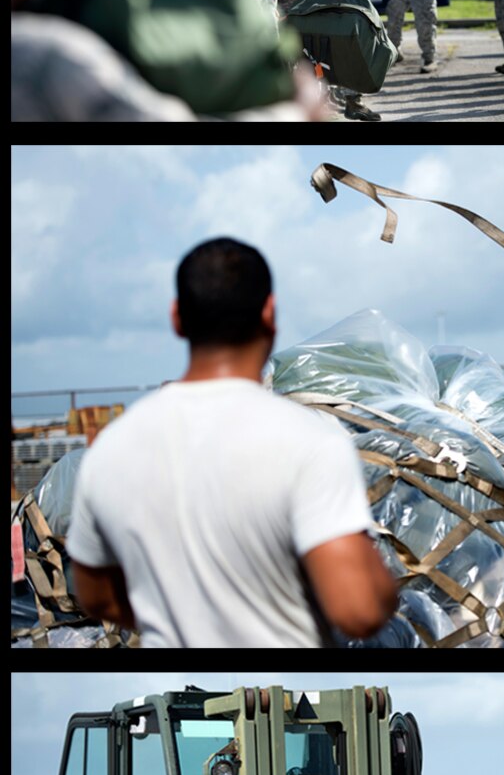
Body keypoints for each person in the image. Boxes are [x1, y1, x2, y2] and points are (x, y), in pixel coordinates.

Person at [67, 237, 396, 648]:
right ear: (269, 314)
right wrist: (385, 581)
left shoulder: (110, 451)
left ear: (177, 318)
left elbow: (96, 594)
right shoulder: (311, 441)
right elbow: (359, 610)